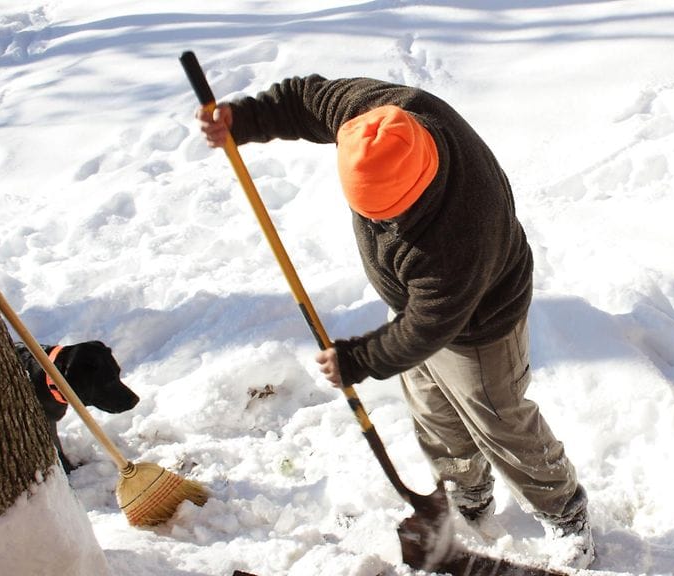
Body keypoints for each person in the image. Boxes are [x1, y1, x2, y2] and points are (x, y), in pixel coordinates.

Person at [196, 75, 593, 568]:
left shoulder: (460, 232)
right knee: (433, 411)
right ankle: (466, 492)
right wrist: (246, 119)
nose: (378, 225)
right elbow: (305, 99)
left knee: (499, 419)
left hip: (480, 324)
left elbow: (429, 325)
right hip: (414, 310)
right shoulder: (378, 116)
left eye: (388, 216)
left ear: (419, 188)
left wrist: (360, 359)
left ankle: (565, 514)